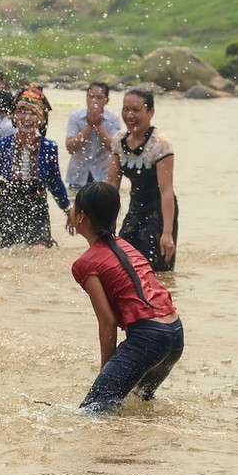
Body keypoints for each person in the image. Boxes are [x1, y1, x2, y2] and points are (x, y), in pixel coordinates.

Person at [69, 181, 183, 412]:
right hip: (175, 333)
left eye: (74, 206)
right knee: (137, 404)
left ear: (81, 217)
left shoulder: (85, 264)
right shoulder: (127, 246)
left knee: (94, 410)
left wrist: (105, 370)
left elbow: (107, 321)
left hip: (148, 338)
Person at [0, 85, 71, 248]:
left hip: (37, 209)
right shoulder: (0, 146)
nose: (27, 118)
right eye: (22, 111)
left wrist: (68, 210)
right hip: (7, 209)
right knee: (6, 256)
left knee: (40, 251)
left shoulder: (49, 147)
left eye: (33, 113)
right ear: (13, 116)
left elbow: (55, 183)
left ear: (41, 119)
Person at [106, 89, 178, 273]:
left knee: (155, 269)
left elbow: (166, 191)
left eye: (136, 110)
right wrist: (105, 224)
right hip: (136, 207)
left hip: (160, 212)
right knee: (123, 259)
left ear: (150, 112)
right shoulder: (119, 141)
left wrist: (167, 233)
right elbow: (112, 184)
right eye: (125, 109)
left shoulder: (160, 144)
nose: (129, 115)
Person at [65, 82, 122, 190]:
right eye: (91, 96)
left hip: (102, 176)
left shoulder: (113, 119)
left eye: (99, 97)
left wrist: (99, 125)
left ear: (106, 101)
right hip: (78, 176)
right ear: (86, 98)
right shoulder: (76, 117)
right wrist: (89, 126)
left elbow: (115, 148)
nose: (94, 101)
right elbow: (70, 148)